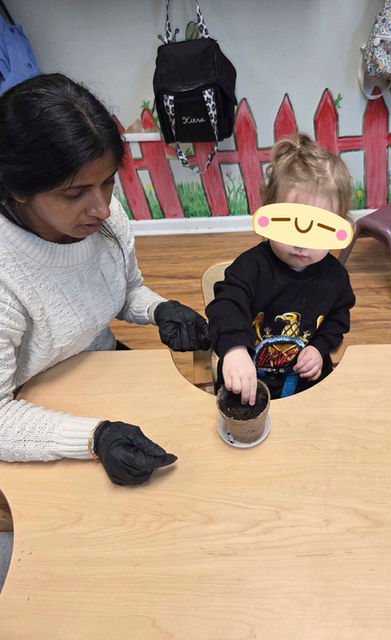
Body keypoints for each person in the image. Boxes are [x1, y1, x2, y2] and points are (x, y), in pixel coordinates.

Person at [0, 73, 210, 484]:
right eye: (74, 193)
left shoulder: (105, 220)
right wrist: (94, 438)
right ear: (18, 189)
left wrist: (156, 308)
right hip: (31, 411)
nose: (102, 208)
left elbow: (124, 289)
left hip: (102, 364)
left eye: (108, 182)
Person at [206, 133, 355, 405]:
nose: (302, 241)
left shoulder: (336, 278)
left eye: (319, 228)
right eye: (290, 224)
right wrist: (235, 350)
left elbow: (338, 318)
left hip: (304, 379)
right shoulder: (250, 268)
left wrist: (320, 349)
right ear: (268, 214)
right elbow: (226, 306)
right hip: (247, 376)